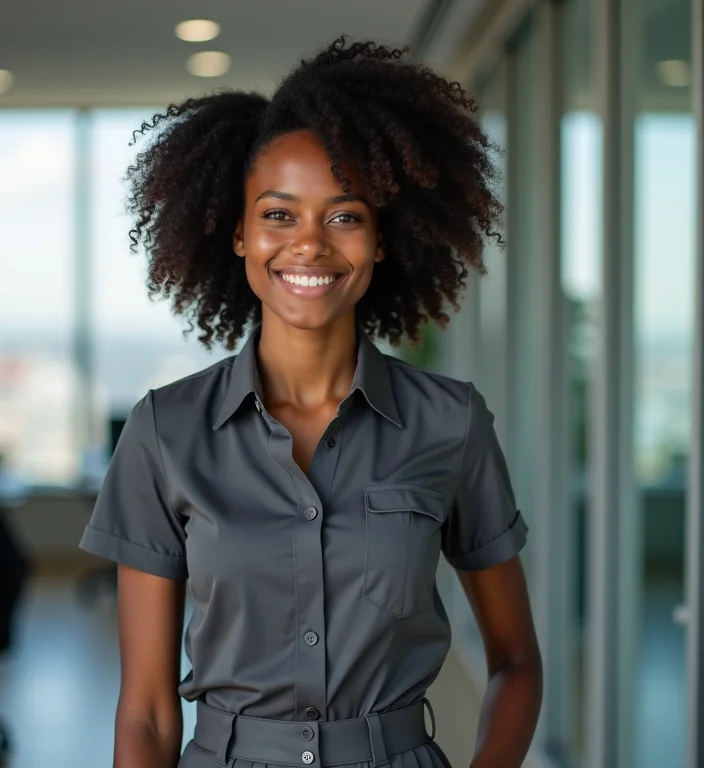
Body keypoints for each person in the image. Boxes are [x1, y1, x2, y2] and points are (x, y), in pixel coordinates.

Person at [80, 35, 542, 768]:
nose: (310, 245)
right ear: (239, 234)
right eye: (279, 215)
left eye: (346, 215)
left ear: (382, 240)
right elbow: (144, 711)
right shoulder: (165, 432)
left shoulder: (450, 422)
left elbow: (517, 664)